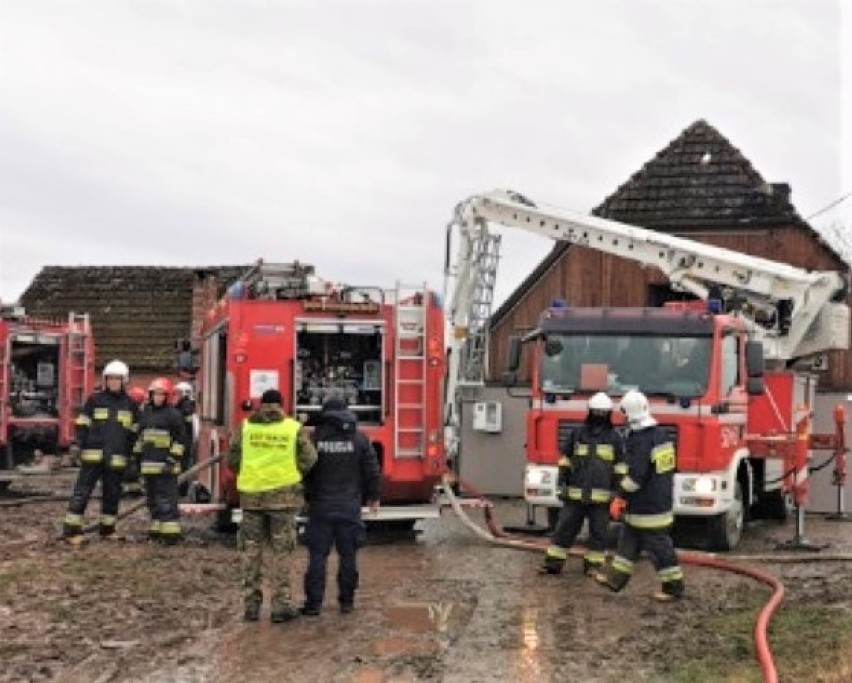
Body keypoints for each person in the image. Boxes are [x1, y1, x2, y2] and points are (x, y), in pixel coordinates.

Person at [227, 389, 317, 623]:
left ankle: (251, 606)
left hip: (251, 497)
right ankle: (280, 606)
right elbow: (310, 458)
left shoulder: (246, 427)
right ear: (281, 405)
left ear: (261, 405)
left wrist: (249, 474)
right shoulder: (292, 427)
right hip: (283, 499)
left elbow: (232, 460)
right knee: (282, 552)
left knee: (251, 550)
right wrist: (293, 473)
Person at [595, 389, 685, 602]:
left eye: (624, 414)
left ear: (628, 414)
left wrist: (619, 496)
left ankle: (674, 587)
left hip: (648, 507)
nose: (623, 418)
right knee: (628, 542)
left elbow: (636, 477)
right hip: (655, 501)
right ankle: (615, 580)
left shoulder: (640, 440)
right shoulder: (660, 435)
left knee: (659, 548)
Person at [301, 396, 381, 617]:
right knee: (349, 557)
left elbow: (304, 471)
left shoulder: (314, 439)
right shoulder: (360, 439)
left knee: (317, 557)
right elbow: (372, 472)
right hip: (349, 508)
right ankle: (346, 603)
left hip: (321, 508)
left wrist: (306, 496)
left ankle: (313, 605)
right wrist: (373, 497)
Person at [540, 392, 626, 576]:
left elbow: (620, 467)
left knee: (598, 535)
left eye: (602, 413)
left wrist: (617, 492)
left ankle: (593, 566)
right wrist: (561, 483)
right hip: (574, 495)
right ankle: (553, 564)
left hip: (601, 499)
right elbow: (565, 460)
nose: (599, 417)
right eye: (597, 412)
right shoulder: (577, 433)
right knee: (564, 530)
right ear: (590, 412)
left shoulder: (615, 438)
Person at [62, 360, 139, 543]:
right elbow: (82, 424)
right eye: (110, 378)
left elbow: (134, 434)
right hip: (92, 457)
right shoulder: (94, 400)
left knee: (112, 495)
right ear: (105, 380)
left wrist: (132, 458)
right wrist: (77, 446)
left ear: (124, 381)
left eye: (117, 379)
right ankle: (71, 531)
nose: (113, 382)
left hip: (117, 459)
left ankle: (107, 530)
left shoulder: (130, 405)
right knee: (82, 492)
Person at [135, 377, 185, 543]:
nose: (158, 397)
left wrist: (172, 460)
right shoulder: (145, 414)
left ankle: (171, 534)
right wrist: (136, 461)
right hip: (149, 466)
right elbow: (140, 439)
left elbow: (181, 441)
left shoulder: (173, 415)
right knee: (152, 500)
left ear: (167, 396)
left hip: (166, 467)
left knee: (167, 500)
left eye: (161, 394)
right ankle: (156, 529)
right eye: (155, 394)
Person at [173, 381, 196, 496]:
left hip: (184, 441)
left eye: (178, 393)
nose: (175, 396)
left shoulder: (185, 406)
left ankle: (181, 490)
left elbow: (184, 424)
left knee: (182, 466)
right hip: (185, 440)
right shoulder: (185, 405)